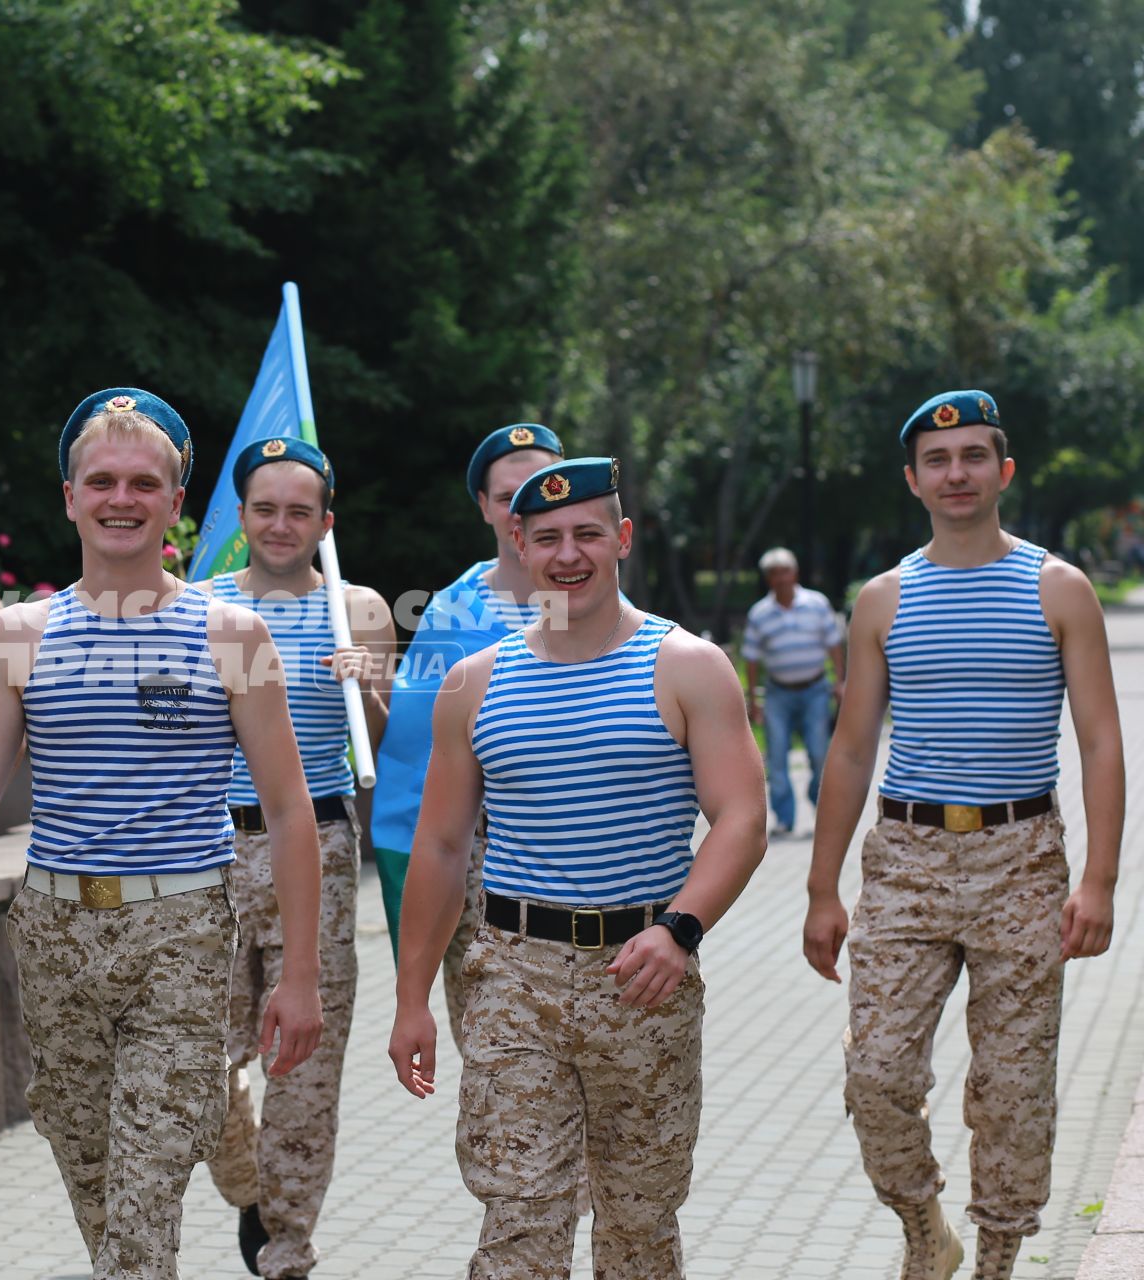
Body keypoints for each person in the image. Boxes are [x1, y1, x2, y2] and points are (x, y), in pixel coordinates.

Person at [0, 388, 324, 1280]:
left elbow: (289, 811)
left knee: (140, 1210)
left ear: (174, 503)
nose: (120, 498)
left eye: (143, 483)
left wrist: (302, 977)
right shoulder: (17, 634)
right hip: (55, 937)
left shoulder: (232, 633)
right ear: (69, 496)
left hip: (182, 937)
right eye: (101, 482)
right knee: (96, 1185)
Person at [389, 456, 766, 1279]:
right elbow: (443, 847)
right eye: (549, 537)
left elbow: (741, 819)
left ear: (622, 538)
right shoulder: (473, 685)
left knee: (638, 1228)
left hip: (644, 979)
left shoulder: (688, 667)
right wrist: (411, 996)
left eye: (588, 533)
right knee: (519, 1221)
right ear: (517, 545)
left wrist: (679, 931)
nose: (569, 555)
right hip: (513, 978)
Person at [802, 390, 1122, 1280]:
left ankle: (998, 1261)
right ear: (913, 480)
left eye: (975, 456)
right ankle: (923, 1226)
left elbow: (1100, 738)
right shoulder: (883, 599)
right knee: (877, 1076)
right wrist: (822, 888)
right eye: (938, 461)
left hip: (1023, 859)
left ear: (1003, 471)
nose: (957, 473)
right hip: (904, 861)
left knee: (1015, 1092)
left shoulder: (1058, 588)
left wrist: (1097, 880)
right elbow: (852, 748)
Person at [198, 436, 394, 1280]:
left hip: (316, 844)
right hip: (203, 851)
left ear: (326, 519)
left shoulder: (362, 610)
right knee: (193, 1055)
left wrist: (369, 684)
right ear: (242, 518)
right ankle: (246, 1177)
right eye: (265, 509)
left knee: (304, 1066)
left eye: (299, 511)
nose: (282, 525)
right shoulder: (197, 605)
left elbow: (376, 752)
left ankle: (287, 1243)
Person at [369, 424, 563, 1046]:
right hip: (481, 867)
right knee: (496, 1061)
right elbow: (411, 755)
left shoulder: (600, 603)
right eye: (509, 496)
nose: (525, 509)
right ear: (484, 505)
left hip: (584, 862)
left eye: (542, 492)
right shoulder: (451, 614)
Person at [740, 546, 846, 837]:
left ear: (795, 572)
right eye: (774, 574)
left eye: (784, 571)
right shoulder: (760, 613)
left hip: (815, 690)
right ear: (768, 579)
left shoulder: (816, 603)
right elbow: (751, 658)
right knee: (776, 757)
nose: (781, 578)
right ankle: (784, 818)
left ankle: (820, 808)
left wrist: (839, 681)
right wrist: (752, 699)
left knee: (818, 753)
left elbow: (833, 644)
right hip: (778, 693)